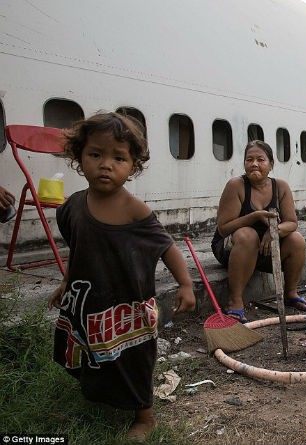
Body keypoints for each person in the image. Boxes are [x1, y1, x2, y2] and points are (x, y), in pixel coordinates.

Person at [47, 112, 196, 442]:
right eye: (95, 154)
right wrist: (66, 282)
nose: (106, 165)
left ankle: (145, 416)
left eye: (119, 158)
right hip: (90, 301)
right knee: (91, 350)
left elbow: (165, 245)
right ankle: (100, 394)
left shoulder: (134, 209)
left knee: (133, 360)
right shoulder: (72, 207)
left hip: (127, 308)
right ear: (79, 157)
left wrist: (185, 284)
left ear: (133, 166)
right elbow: (78, 247)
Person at [211, 140, 306, 323]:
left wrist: (273, 232)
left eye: (260, 159)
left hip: (264, 248)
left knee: (296, 240)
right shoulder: (236, 185)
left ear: (271, 164)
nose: (254, 164)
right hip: (231, 246)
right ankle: (235, 301)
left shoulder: (280, 187)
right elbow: (224, 227)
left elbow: (292, 223)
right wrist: (255, 216)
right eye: (249, 160)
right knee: (247, 235)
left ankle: (290, 294)